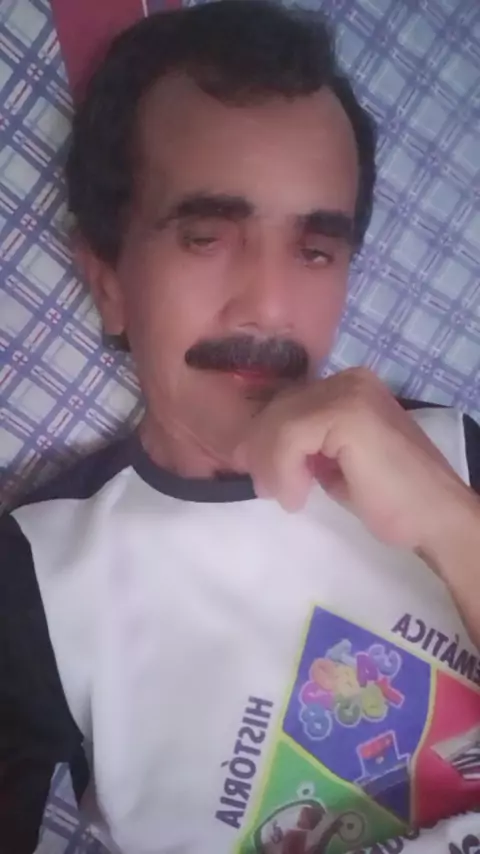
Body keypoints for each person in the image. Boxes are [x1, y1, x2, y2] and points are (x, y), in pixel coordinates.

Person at [1, 2, 479, 852]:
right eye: (206, 236)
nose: (270, 305)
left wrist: (453, 526)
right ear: (108, 282)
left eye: (315, 249)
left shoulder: (452, 458)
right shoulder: (40, 580)